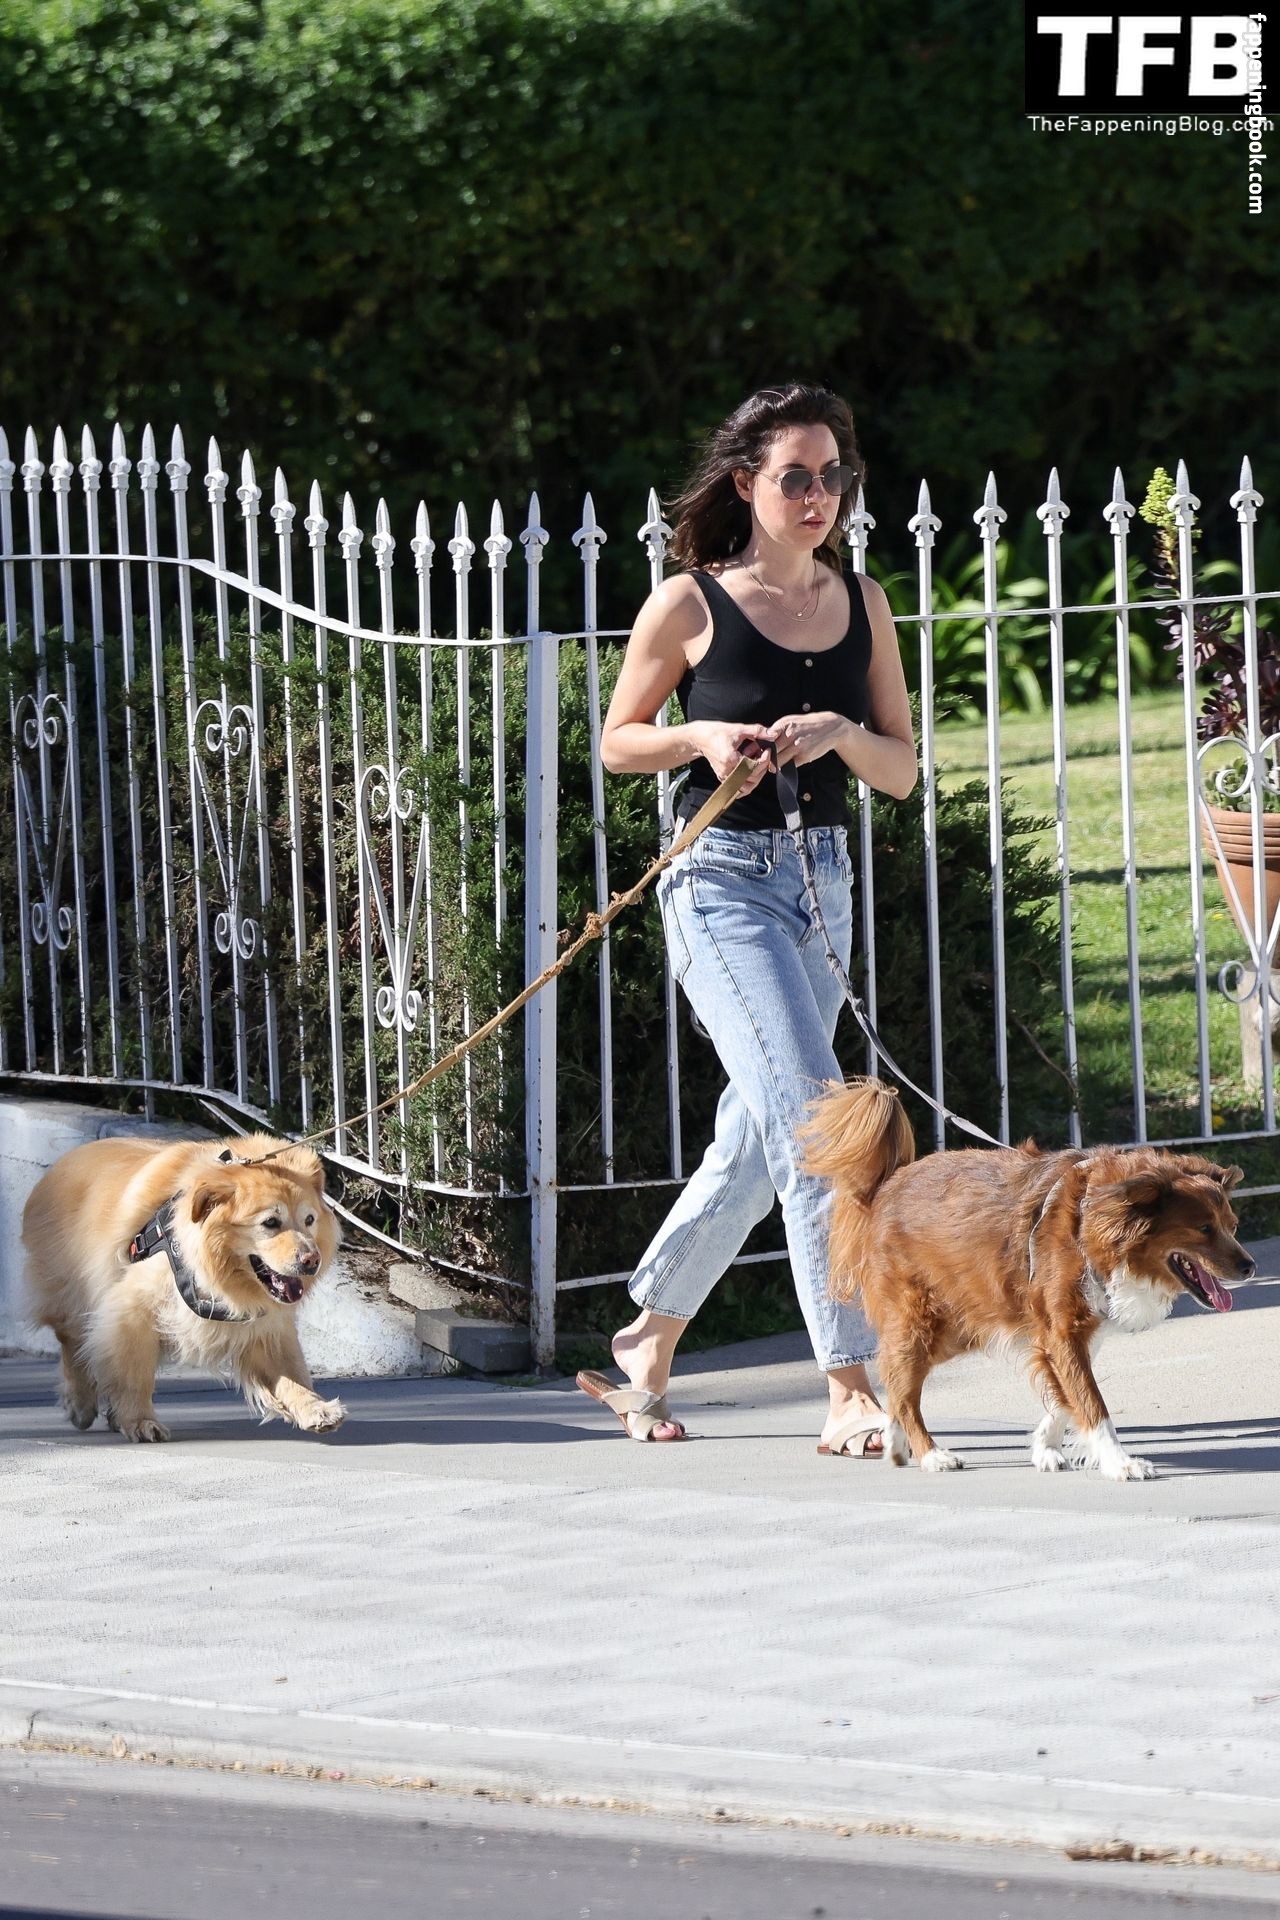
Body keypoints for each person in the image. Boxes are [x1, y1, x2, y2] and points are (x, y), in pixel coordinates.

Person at [579, 381, 917, 1454]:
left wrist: (837, 733)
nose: (817, 497)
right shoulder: (689, 604)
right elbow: (618, 740)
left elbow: (900, 769)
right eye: (794, 477)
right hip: (719, 882)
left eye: (833, 477)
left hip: (823, 880)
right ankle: (849, 1383)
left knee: (759, 1129)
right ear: (744, 483)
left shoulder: (862, 601)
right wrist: (702, 739)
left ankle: (648, 1336)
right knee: (815, 1121)